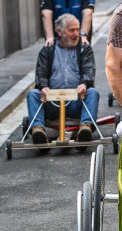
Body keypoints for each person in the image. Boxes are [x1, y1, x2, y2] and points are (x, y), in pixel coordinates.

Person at [27, 14, 99, 144]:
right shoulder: (47, 50)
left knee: (93, 92)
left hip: (77, 102)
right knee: (33, 94)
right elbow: (40, 72)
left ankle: (85, 128)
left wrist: (84, 84)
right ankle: (38, 130)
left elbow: (89, 70)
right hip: (52, 103)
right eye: (72, 30)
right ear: (59, 32)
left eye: (78, 30)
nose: (76, 34)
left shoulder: (84, 48)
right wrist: (43, 87)